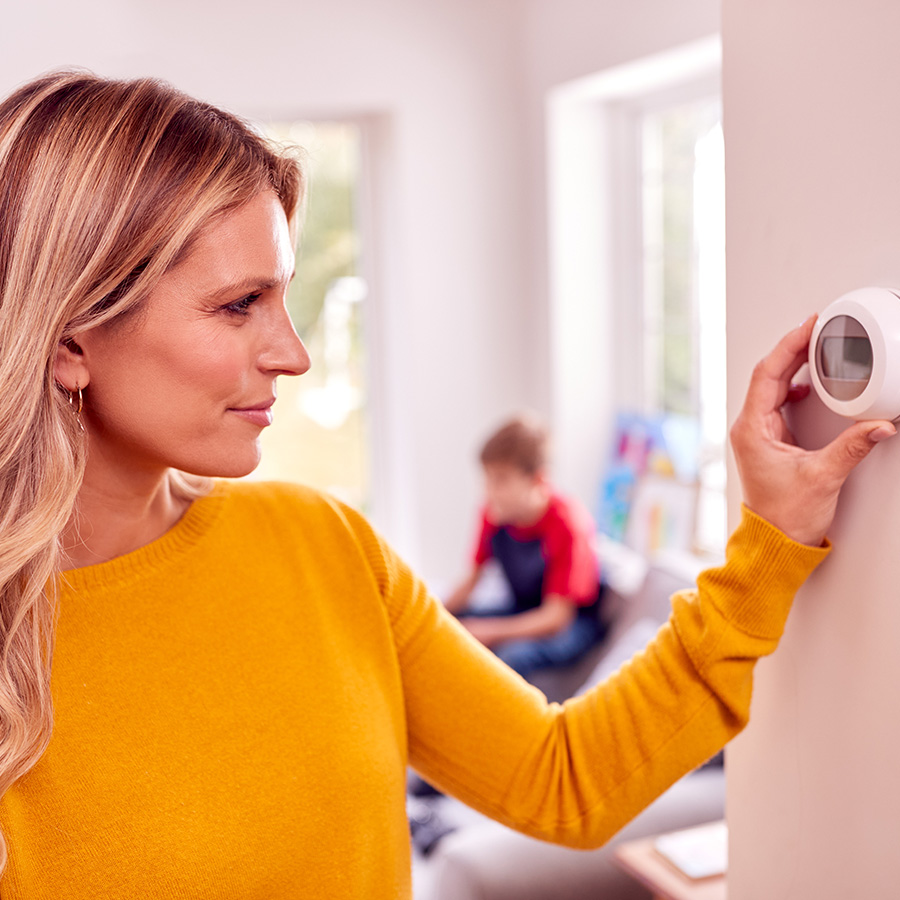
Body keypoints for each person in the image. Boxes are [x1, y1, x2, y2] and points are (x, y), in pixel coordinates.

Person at [0, 70, 894, 900]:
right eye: (239, 305)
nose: (294, 353)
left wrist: (765, 544)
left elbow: (565, 780)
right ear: (72, 338)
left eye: (284, 299)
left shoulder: (324, 545)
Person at [444, 414, 606, 678]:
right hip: (523, 608)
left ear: (538, 479)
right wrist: (435, 614)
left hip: (570, 621)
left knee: (512, 656)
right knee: (451, 625)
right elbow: (470, 582)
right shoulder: (493, 514)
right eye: (487, 479)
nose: (489, 492)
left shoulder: (568, 523)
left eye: (501, 480)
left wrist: (489, 632)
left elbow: (556, 617)